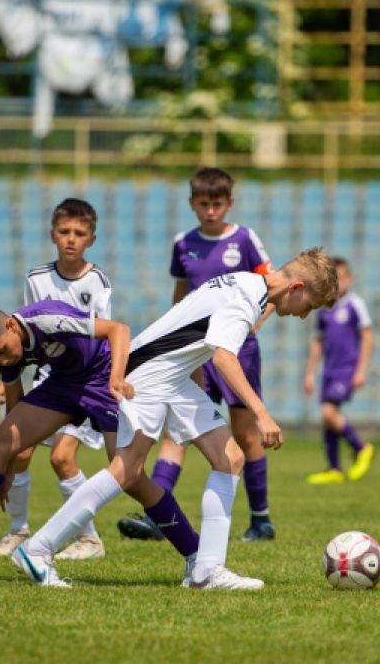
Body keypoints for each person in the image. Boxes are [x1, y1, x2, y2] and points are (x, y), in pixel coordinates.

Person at [11, 247, 340, 591]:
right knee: (127, 470)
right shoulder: (247, 298)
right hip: (152, 373)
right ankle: (38, 548)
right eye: (310, 307)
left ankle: (205, 571)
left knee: (230, 457)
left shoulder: (246, 282)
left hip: (174, 375)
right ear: (297, 288)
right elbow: (224, 358)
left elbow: (192, 329)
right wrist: (262, 414)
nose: (304, 315)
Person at [0, 298, 202, 585]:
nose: (4, 360)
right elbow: (15, 413)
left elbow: (119, 330)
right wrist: (9, 467)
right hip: (64, 385)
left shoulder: (47, 319)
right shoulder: (6, 349)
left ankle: (196, 556)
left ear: (11, 325)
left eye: (2, 351)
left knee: (132, 476)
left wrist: (116, 378)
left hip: (104, 377)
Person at [117, 166, 278, 544]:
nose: (211, 211)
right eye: (204, 204)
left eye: (217, 204)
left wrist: (254, 323)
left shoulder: (245, 239)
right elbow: (182, 297)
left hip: (237, 351)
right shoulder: (183, 243)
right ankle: (157, 515)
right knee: (180, 428)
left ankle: (260, 519)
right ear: (192, 203)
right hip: (193, 351)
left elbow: (272, 289)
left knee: (243, 432)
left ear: (229, 204)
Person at [0, 198, 113, 561]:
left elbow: (102, 335)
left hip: (88, 380)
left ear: (91, 239)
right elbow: (27, 335)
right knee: (20, 450)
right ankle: (17, 531)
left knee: (61, 457)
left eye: (79, 233)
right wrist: (8, 378)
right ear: (52, 234)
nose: (71, 239)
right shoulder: (36, 279)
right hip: (49, 375)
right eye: (64, 232)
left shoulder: (97, 280)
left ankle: (89, 539)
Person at [303, 256, 375, 484]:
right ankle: (334, 469)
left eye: (343, 276)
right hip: (329, 370)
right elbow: (319, 342)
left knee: (328, 412)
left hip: (346, 368)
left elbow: (367, 337)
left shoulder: (355, 304)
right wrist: (310, 373)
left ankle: (361, 447)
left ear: (350, 279)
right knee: (327, 418)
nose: (339, 281)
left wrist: (361, 370)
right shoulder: (324, 307)